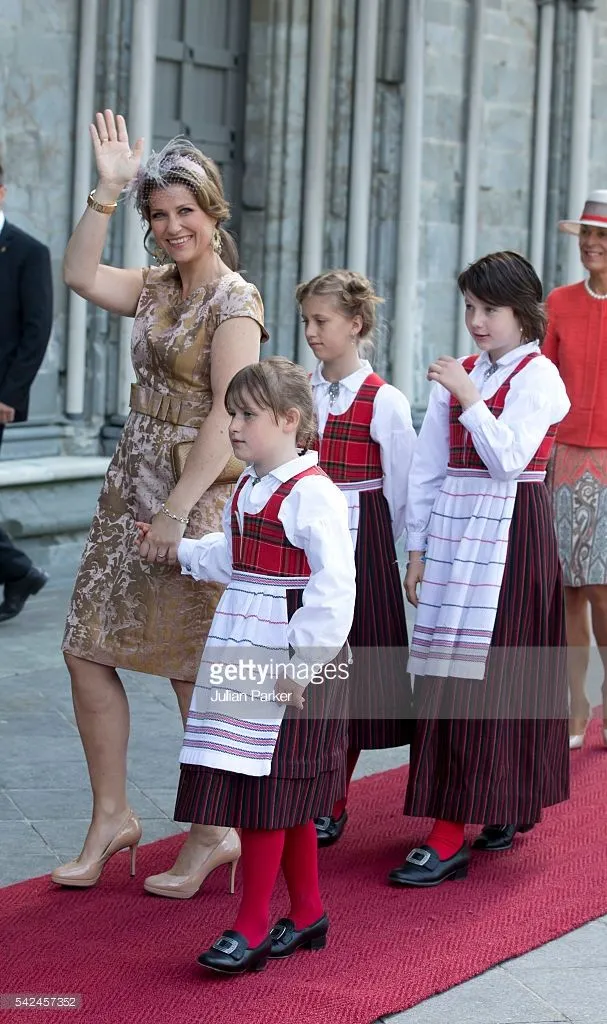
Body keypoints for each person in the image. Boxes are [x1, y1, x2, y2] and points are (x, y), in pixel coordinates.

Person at [52, 109, 266, 895]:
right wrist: (106, 193)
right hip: (127, 482)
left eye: (186, 212)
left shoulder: (234, 302)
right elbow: (78, 276)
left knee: (190, 666)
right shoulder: (152, 287)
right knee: (85, 645)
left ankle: (215, 829)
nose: (173, 226)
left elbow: (227, 414)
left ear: (213, 214)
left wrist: (175, 514)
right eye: (159, 214)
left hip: (193, 496)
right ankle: (113, 816)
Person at [138, 358, 356, 974]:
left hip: (290, 660)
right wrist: (178, 550)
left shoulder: (313, 493)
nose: (233, 426)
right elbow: (234, 559)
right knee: (274, 787)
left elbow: (337, 588)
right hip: (245, 646)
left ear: (289, 421)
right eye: (231, 413)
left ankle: (254, 923)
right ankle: (308, 912)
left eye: (246, 415)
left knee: (270, 788)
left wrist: (304, 661)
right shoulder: (251, 486)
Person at [388, 251, 571, 889]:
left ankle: (458, 826)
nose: (476, 322)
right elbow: (429, 469)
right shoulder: (462, 372)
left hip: (513, 531)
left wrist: (468, 398)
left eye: (488, 309)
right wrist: (416, 551)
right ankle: (488, 806)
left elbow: (508, 460)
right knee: (445, 672)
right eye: (470, 307)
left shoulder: (540, 377)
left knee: (496, 674)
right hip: (457, 529)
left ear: (523, 313)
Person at [296, 270, 416, 846]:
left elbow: (403, 490)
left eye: (322, 322)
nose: (311, 333)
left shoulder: (385, 400)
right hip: (304, 542)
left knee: (352, 675)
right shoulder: (300, 393)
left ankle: (332, 797)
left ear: (356, 324)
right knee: (309, 668)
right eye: (306, 323)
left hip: (361, 543)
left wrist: (388, 555)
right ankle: (302, 786)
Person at [543, 190, 607, 749]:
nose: (590, 243)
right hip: (563, 457)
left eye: (601, 235)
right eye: (586, 234)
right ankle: (576, 704)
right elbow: (543, 380)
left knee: (603, 589)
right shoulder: (559, 303)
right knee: (568, 588)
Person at [0, 159, 52, 622]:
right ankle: (18, 571)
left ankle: (18, 571)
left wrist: (10, 396)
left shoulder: (28, 252)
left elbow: (37, 330)